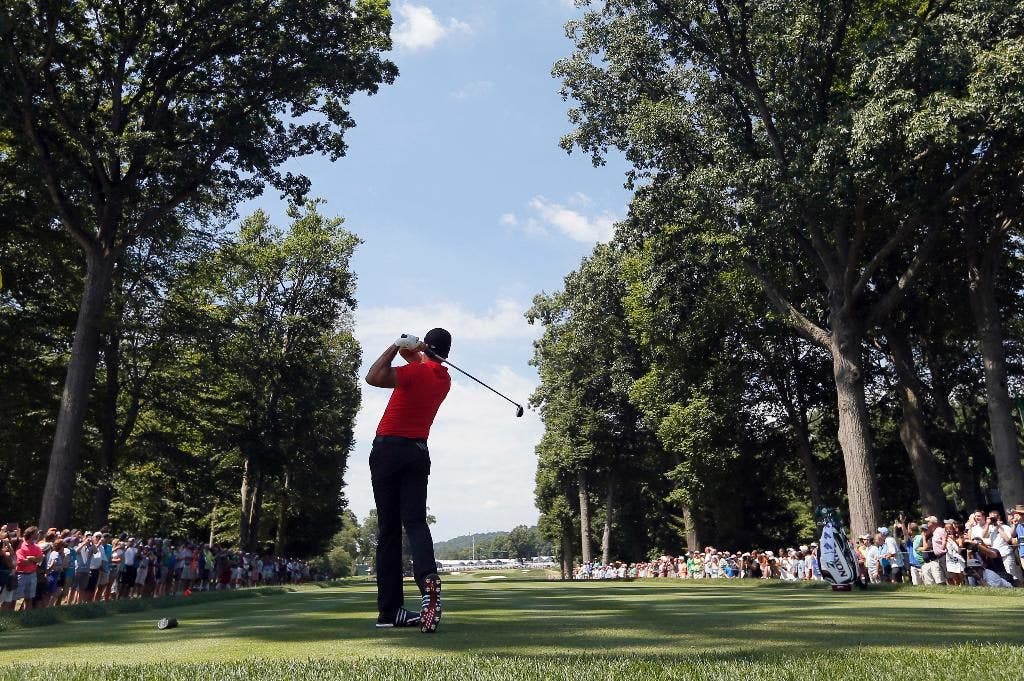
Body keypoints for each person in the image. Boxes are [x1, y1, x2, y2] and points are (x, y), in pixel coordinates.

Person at [364, 328, 452, 633]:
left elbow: (373, 376)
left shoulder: (414, 372)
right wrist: (414, 348)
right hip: (418, 452)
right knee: (415, 522)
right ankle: (427, 581)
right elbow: (420, 362)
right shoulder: (443, 379)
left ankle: (388, 610)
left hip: (388, 450)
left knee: (388, 531)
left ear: (428, 347)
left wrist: (394, 344)